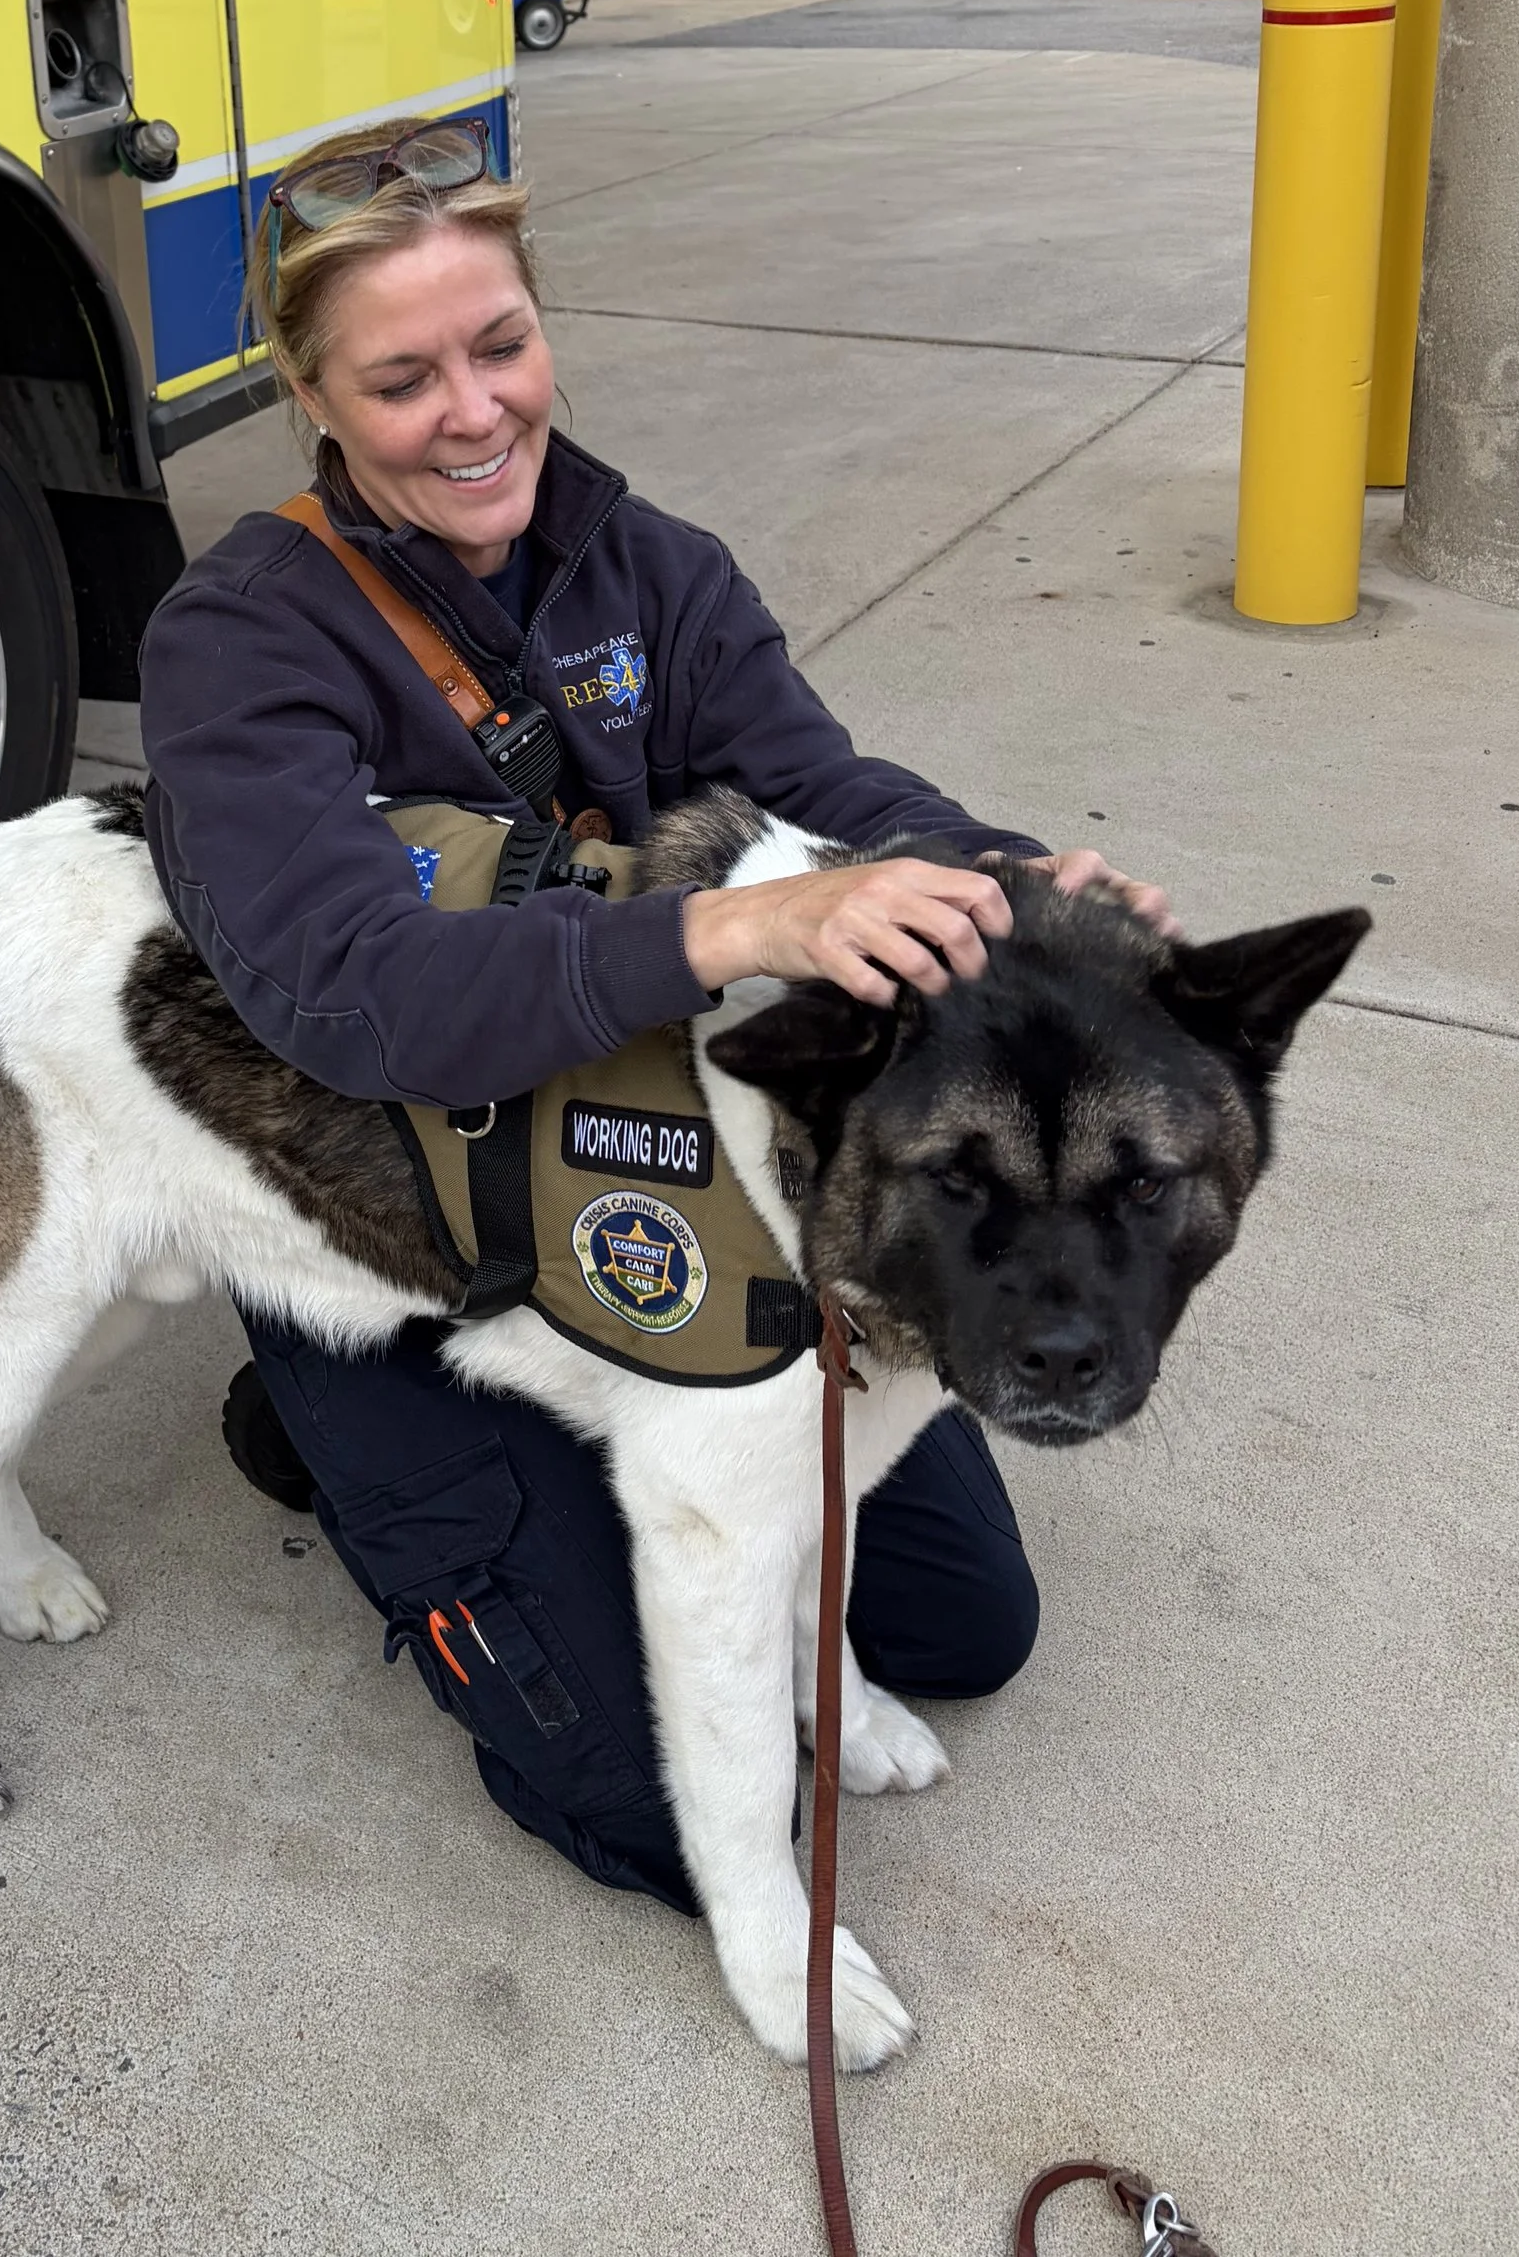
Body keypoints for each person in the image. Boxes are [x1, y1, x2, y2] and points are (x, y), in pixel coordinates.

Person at [138, 115, 1171, 1915]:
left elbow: (829, 783)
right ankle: (327, 1421)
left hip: (648, 1185)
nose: (475, 411)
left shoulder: (650, 563)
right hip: (396, 1222)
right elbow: (347, 999)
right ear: (309, 392)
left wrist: (1020, 885)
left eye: (503, 345)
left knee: (956, 1623)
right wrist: (731, 922)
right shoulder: (240, 637)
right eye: (402, 378)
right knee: (646, 1806)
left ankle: (558, 1435)